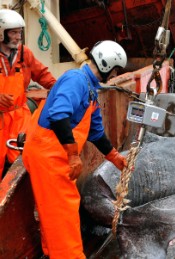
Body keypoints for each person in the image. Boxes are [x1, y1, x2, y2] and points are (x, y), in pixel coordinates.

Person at [22, 40, 128, 258]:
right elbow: (59, 114)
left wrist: (115, 157)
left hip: (56, 155)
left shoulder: (91, 91)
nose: (115, 73)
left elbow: (96, 132)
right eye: (116, 69)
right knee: (63, 213)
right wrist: (73, 156)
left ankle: (52, 252)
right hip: (48, 155)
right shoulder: (76, 80)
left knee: (53, 212)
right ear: (108, 66)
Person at [0, 9, 56, 178]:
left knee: (25, 160)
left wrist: (61, 90)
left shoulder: (25, 54)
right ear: (1, 33)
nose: (18, 37)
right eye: (14, 33)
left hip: (20, 116)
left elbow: (44, 76)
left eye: (20, 32)